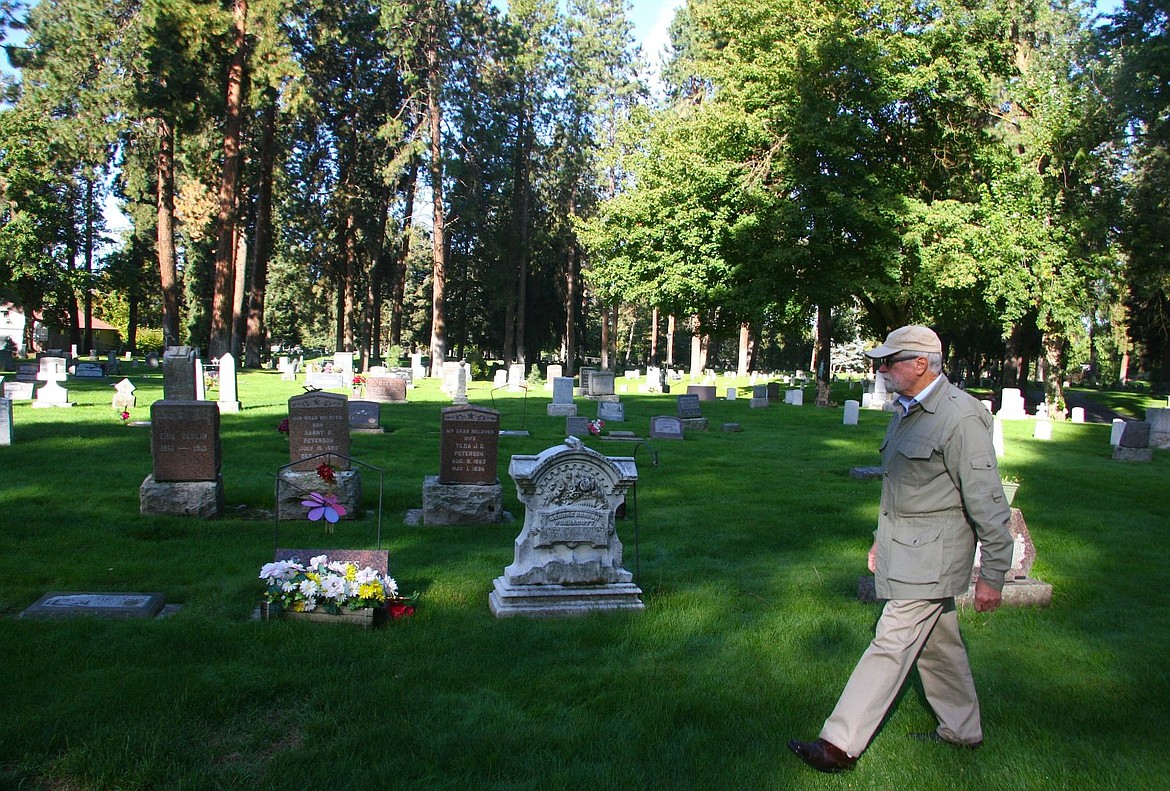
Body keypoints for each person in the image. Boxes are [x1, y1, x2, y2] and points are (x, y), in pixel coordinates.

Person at [788, 325, 1014, 773]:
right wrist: (879, 538)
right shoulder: (908, 411)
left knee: (890, 643)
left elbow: (988, 502)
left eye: (890, 361)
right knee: (938, 643)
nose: (882, 368)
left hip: (933, 557)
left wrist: (992, 574)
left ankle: (838, 745)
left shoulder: (960, 417)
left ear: (920, 364)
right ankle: (962, 730)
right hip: (907, 549)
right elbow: (903, 488)